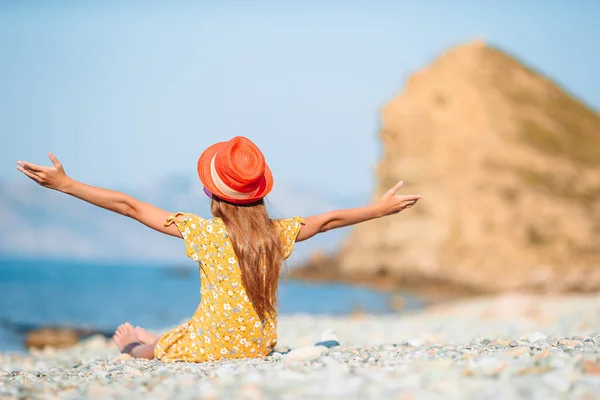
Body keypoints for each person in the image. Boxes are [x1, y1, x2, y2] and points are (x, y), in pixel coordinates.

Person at [16, 136, 421, 362]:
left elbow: (130, 206)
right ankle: (163, 338)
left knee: (144, 348)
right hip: (260, 344)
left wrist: (66, 185)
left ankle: (139, 345)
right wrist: (380, 209)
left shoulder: (204, 233)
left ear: (211, 192)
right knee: (187, 332)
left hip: (215, 346)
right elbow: (329, 219)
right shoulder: (276, 234)